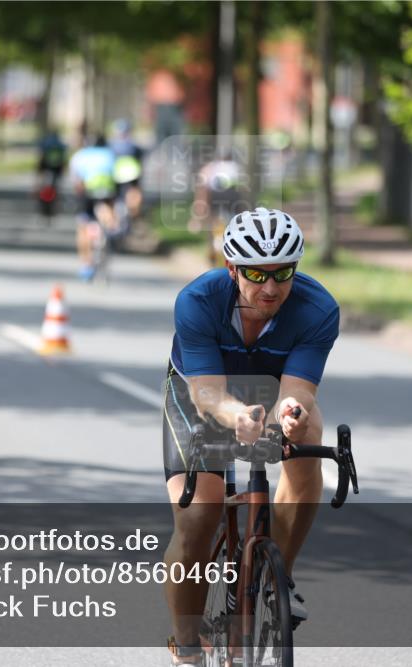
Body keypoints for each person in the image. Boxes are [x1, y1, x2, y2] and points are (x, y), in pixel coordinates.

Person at [161, 207, 339, 665]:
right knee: (200, 514)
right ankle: (186, 644)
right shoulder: (197, 301)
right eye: (257, 274)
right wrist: (237, 416)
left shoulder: (318, 309)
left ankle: (280, 574)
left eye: (282, 273)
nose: (271, 287)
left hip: (269, 389)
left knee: (310, 432)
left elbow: (298, 391)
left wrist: (292, 413)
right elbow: (207, 395)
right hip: (201, 391)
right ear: (232, 269)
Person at [68, 134, 117, 281]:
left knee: (83, 227)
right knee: (107, 209)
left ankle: (86, 264)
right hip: (107, 191)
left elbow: (76, 180)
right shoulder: (111, 154)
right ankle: (110, 229)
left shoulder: (80, 156)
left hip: (88, 192)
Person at [192, 151, 243, 266]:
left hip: (216, 196)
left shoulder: (210, 167)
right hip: (233, 198)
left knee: (213, 225)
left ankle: (213, 253)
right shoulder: (235, 167)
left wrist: (198, 213)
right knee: (231, 227)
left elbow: (203, 190)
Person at [109, 118, 144, 224]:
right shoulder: (133, 145)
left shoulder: (111, 144)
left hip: (117, 173)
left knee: (115, 196)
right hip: (132, 173)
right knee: (133, 192)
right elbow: (140, 156)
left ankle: (116, 218)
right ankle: (133, 213)